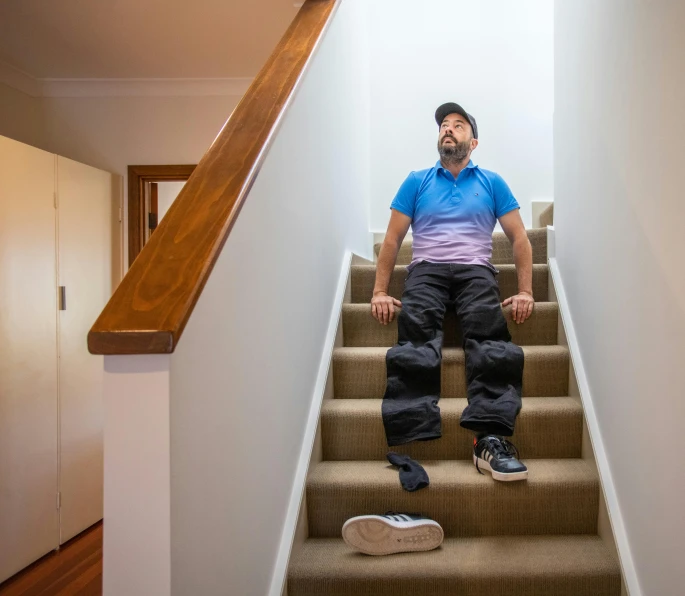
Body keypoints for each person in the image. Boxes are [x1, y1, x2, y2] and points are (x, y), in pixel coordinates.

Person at [371, 102, 534, 482]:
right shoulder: (417, 180)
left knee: (490, 338)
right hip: (426, 270)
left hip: (476, 270)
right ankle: (412, 433)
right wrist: (380, 290)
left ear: (472, 142)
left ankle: (490, 437)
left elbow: (521, 238)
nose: (448, 130)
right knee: (415, 337)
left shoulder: (492, 182)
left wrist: (525, 290)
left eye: (458, 126)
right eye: (444, 125)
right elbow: (393, 239)